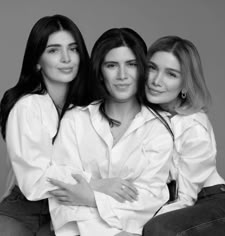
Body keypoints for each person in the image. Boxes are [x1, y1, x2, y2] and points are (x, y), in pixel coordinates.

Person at [47, 28, 173, 236]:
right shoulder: (75, 120)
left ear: (143, 69)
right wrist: (102, 188)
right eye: (112, 65)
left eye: (131, 65)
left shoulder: (158, 129)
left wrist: (91, 196)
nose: (122, 76)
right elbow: (62, 188)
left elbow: (149, 199)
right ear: (100, 71)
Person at [0, 14, 89, 236]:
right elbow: (34, 183)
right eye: (54, 50)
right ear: (37, 61)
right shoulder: (28, 106)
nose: (66, 58)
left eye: (73, 48)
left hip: (74, 210)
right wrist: (95, 185)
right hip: (27, 211)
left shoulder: (89, 107)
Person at [142, 36, 225, 235]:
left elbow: (184, 198)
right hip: (171, 202)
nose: (156, 81)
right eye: (152, 68)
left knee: (157, 229)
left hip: (211, 202)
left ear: (185, 85)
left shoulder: (194, 126)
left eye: (171, 74)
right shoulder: (145, 117)